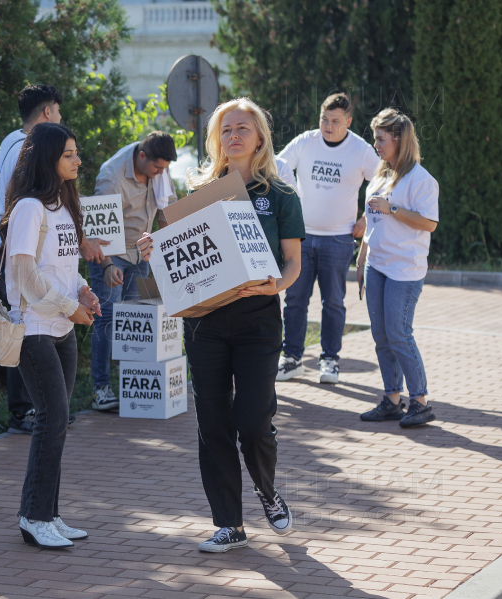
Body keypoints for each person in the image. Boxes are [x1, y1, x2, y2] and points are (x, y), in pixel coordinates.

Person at [136, 98, 304, 552]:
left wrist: (275, 285)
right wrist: (157, 246)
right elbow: (181, 253)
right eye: (226, 129)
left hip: (259, 322)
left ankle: (267, 491)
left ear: (260, 137)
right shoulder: (197, 192)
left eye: (243, 128)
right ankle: (229, 523)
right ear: (216, 139)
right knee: (213, 426)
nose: (234, 136)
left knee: (252, 420)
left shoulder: (281, 195)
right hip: (206, 324)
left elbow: (292, 263)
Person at [0, 122, 100, 548]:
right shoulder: (29, 208)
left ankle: (49, 514)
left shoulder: (62, 205)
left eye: (76, 153)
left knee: (57, 424)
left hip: (61, 327)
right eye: (69, 155)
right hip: (34, 327)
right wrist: (69, 305)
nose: (77, 160)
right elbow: (24, 273)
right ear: (47, 159)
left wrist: (82, 289)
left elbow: (60, 266)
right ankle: (33, 518)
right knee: (51, 420)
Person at [0, 84, 73, 435]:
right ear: (47, 112)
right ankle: (26, 412)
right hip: (14, 245)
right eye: (58, 111)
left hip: (0, 242)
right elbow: (22, 201)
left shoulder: (10, 140)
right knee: (22, 327)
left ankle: (30, 411)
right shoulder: (31, 150)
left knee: (17, 327)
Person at [276, 93, 380, 384]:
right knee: (295, 298)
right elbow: (277, 167)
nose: (328, 126)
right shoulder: (306, 141)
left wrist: (366, 218)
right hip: (301, 237)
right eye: (324, 119)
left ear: (348, 121)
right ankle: (292, 357)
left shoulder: (360, 150)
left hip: (339, 239)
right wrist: (291, 199)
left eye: (335, 121)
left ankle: (330, 360)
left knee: (333, 301)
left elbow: (384, 182)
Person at [357, 108, 438, 428]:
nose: (375, 144)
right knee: (381, 336)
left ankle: (419, 401)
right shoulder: (381, 174)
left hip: (405, 270)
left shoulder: (421, 180)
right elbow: (370, 222)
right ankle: (392, 399)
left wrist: (393, 209)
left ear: (399, 139)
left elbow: (429, 223)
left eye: (380, 138)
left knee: (399, 334)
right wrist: (361, 260)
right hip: (377, 265)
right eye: (375, 137)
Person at [88, 132, 178, 411]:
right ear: (141, 157)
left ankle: (131, 385)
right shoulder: (111, 176)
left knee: (135, 319)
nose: (161, 173)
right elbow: (96, 233)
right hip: (111, 256)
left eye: (164, 168)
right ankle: (100, 389)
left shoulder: (158, 170)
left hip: (141, 253)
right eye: (157, 168)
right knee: (107, 319)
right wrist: (106, 266)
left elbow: (166, 212)